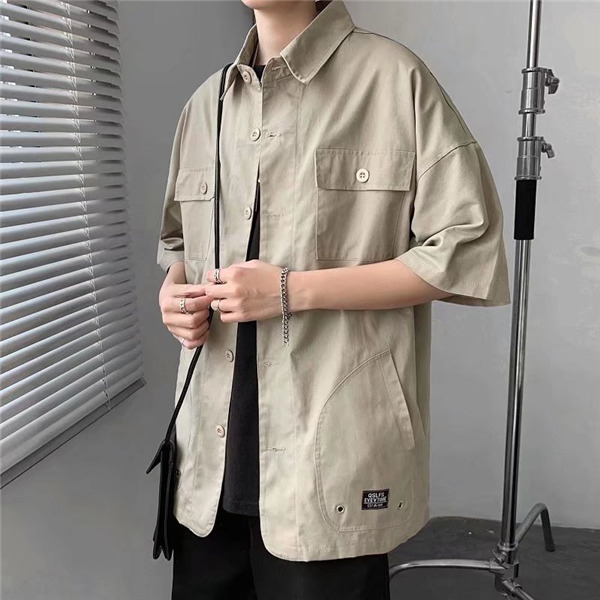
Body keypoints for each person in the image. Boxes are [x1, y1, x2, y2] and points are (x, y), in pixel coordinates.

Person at [156, 0, 511, 598]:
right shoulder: (206, 104)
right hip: (207, 466)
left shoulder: (394, 80)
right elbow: (176, 243)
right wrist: (174, 295)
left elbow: (467, 250)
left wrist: (293, 290)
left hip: (330, 460)